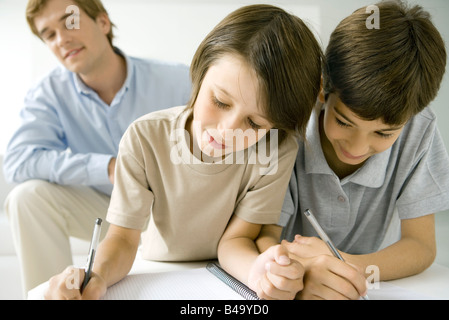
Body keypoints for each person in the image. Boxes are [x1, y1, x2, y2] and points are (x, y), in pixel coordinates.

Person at [43, 4, 324, 300]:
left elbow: (238, 239)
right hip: (156, 273)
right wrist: (97, 276)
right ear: (199, 73)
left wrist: (259, 271)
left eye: (254, 122)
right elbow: (123, 239)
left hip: (225, 279)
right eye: (220, 101)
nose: (227, 131)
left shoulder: (275, 149)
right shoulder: (145, 137)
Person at [257, 0, 449, 300]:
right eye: (344, 122)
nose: (357, 147)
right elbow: (262, 235)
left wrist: (343, 267)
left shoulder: (419, 131)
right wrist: (293, 271)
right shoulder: (291, 123)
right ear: (323, 87)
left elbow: (422, 246)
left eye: (384, 133)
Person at [3, 0, 191, 296]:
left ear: (103, 23)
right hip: (106, 212)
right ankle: (56, 294)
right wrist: (106, 167)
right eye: (49, 35)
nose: (61, 39)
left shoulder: (179, 80)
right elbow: (16, 161)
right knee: (26, 197)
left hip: (174, 214)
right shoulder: (47, 94)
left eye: (70, 22)